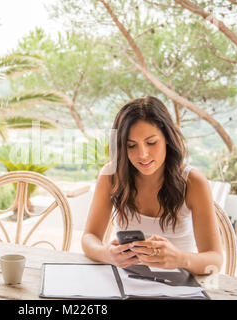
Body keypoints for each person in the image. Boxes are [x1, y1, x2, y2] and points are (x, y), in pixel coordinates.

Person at [82, 96, 223, 275]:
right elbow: (89, 238)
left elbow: (215, 260)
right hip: (125, 282)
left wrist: (180, 259)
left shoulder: (193, 182)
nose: (143, 154)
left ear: (167, 139)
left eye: (151, 143)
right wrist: (106, 254)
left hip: (177, 286)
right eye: (131, 146)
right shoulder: (111, 175)